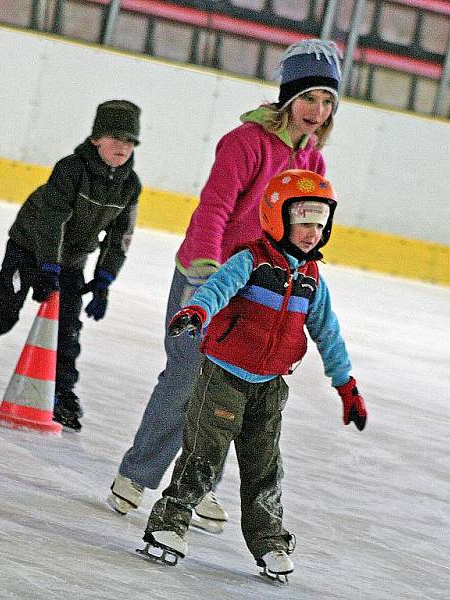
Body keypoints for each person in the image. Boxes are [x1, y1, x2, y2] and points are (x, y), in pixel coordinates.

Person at [108, 38, 344, 532]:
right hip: (209, 273)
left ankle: (197, 486)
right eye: (309, 98)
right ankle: (138, 472)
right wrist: (207, 269)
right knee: (186, 376)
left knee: (228, 389)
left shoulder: (313, 164)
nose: (317, 111)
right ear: (288, 97)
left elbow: (302, 234)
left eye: (327, 102)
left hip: (260, 289)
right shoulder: (246, 144)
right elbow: (215, 207)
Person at [137, 169, 368, 581]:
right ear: (278, 218)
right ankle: (168, 524)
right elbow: (216, 289)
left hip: (270, 385)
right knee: (202, 457)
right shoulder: (251, 260)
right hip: (223, 376)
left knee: (264, 467)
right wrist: (197, 311)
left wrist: (345, 384)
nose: (312, 231)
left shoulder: (312, 281)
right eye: (303, 220)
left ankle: (270, 541)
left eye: (320, 222)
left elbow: (327, 332)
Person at [0, 100, 143, 432]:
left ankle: (62, 394)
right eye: (115, 138)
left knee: (67, 327)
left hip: (71, 260)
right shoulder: (70, 168)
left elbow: (121, 235)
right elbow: (51, 220)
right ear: (96, 139)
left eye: (129, 141)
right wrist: (47, 267)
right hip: (29, 247)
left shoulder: (130, 185)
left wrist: (105, 279)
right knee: (4, 310)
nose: (122, 147)